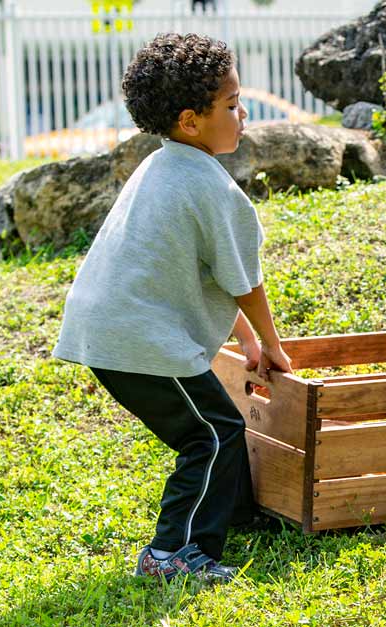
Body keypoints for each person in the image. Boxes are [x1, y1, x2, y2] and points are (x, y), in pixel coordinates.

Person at [52, 32, 291, 584]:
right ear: (190, 120)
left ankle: (234, 519)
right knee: (210, 434)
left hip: (111, 331)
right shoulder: (210, 187)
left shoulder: (162, 165)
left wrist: (248, 343)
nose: (243, 113)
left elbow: (205, 273)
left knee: (213, 428)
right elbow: (244, 282)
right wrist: (272, 345)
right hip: (137, 338)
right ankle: (174, 557)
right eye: (230, 105)